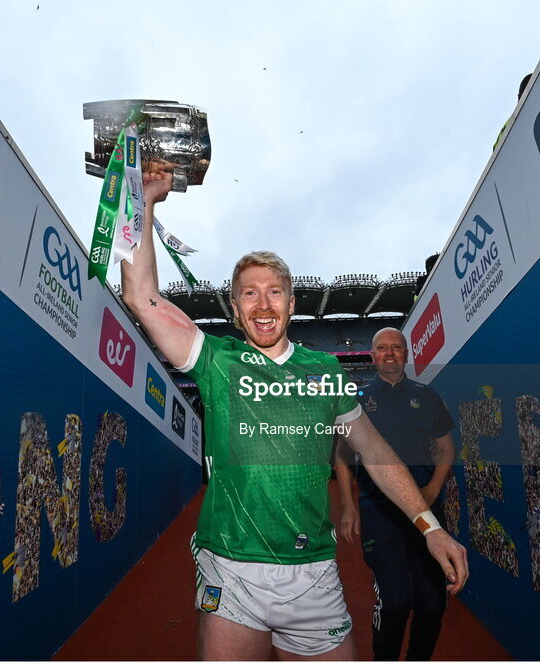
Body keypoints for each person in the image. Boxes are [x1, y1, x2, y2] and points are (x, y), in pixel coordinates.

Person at [120, 164, 468, 660]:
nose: (263, 304)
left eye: (274, 291)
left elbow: (372, 450)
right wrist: (145, 201)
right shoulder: (215, 360)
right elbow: (140, 295)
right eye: (249, 293)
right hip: (231, 569)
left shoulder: (325, 368)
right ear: (235, 310)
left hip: (313, 576)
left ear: (292, 302)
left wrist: (429, 528)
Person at [335, 327, 456, 660]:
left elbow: (447, 450)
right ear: (372, 356)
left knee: (432, 604)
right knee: (395, 602)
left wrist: (432, 488)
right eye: (382, 348)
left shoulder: (428, 397)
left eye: (396, 347)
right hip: (379, 512)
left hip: (426, 510)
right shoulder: (355, 401)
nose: (389, 353)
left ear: (406, 354)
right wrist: (348, 506)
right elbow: (342, 458)